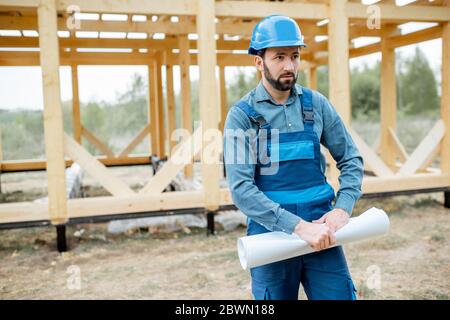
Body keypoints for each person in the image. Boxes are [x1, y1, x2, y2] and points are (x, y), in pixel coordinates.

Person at [223, 15, 364, 300]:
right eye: (279, 57)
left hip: (322, 233)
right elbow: (241, 190)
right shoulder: (242, 116)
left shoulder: (317, 104)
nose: (289, 66)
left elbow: (350, 158)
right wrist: (298, 228)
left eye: (295, 56)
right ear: (259, 62)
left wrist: (343, 208)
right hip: (270, 237)